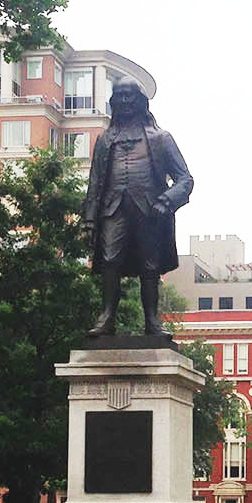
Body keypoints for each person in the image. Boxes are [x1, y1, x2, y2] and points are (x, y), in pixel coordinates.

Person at [81, 76, 194, 336]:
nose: (125, 101)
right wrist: (88, 221)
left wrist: (166, 201)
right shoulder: (105, 140)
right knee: (110, 260)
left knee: (150, 265)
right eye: (120, 96)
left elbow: (185, 179)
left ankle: (152, 321)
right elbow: (95, 182)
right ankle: (107, 316)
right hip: (113, 209)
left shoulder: (160, 138)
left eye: (129, 96)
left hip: (149, 212)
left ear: (141, 101)